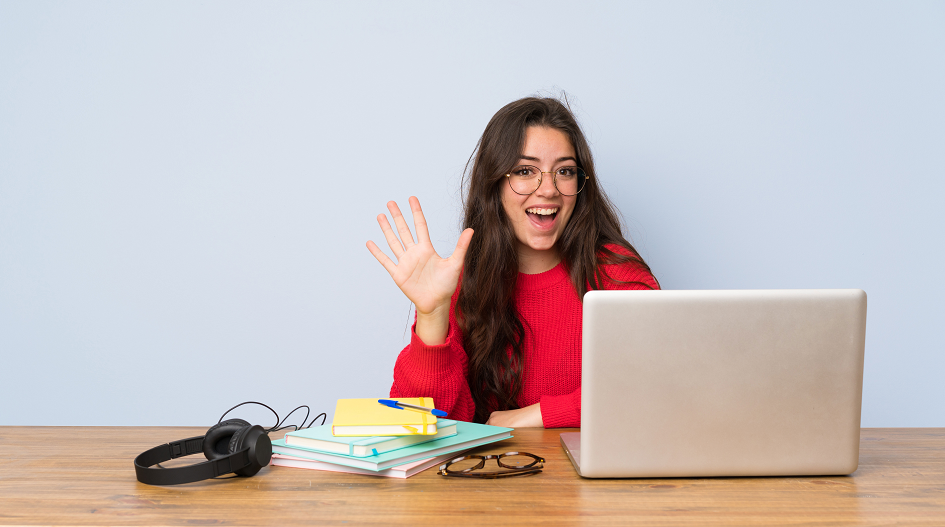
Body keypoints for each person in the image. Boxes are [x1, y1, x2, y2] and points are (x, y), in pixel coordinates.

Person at [366, 96, 658, 428]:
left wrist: (534, 416)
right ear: (495, 186)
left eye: (564, 171)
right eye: (524, 171)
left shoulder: (619, 277)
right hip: (494, 476)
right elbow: (416, 424)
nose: (548, 189)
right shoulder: (463, 282)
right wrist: (432, 316)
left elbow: (655, 387)